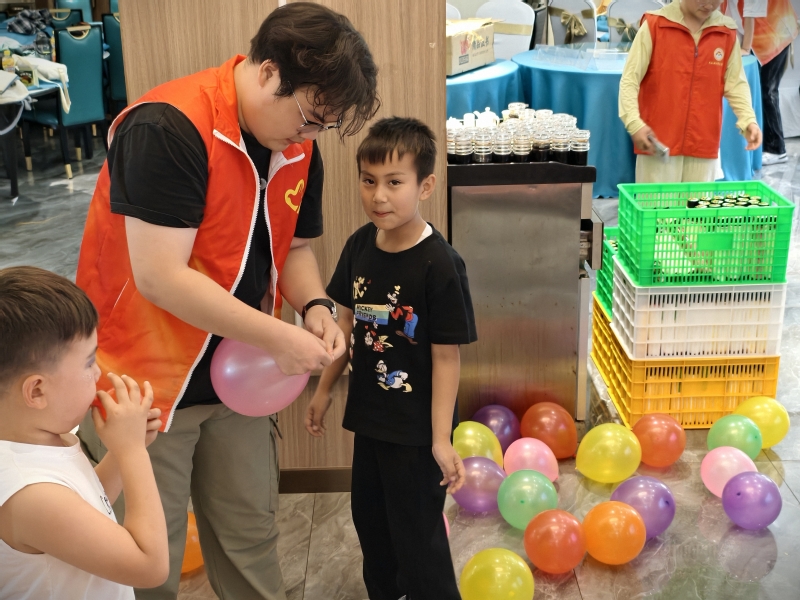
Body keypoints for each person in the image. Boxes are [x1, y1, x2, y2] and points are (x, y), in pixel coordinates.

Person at [74, 3, 379, 599]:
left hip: (241, 381)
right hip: (144, 385)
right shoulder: (167, 127)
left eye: (324, 126)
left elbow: (293, 248)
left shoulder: (297, 145)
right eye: (310, 117)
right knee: (146, 561)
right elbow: (161, 277)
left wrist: (315, 308)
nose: (310, 135)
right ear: (268, 72)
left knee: (250, 538)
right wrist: (279, 337)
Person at [305, 117, 477, 600]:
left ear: (425, 186)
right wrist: (323, 390)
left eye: (394, 183)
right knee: (372, 525)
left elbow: (447, 359)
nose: (378, 196)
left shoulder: (440, 264)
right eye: (368, 180)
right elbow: (344, 326)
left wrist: (440, 439)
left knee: (417, 536)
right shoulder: (359, 244)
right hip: (370, 418)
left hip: (417, 431)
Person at [0, 266, 167, 600]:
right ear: (36, 391)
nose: (99, 371)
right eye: (89, 362)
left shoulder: (41, 438)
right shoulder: (31, 495)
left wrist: (119, 457)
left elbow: (84, 506)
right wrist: (132, 452)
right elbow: (150, 566)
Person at [619, 0, 763, 183]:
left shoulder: (726, 32)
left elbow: (736, 84)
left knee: (697, 202)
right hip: (658, 143)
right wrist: (634, 123)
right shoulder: (655, 25)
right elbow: (630, 80)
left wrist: (748, 119)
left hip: (703, 142)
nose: (709, 5)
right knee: (655, 201)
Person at [732, 0, 798, 165]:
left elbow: (750, 15)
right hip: (759, 34)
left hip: (777, 31)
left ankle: (777, 149)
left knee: (768, 91)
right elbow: (731, 16)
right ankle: (762, 142)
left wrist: (745, 48)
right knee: (760, 90)